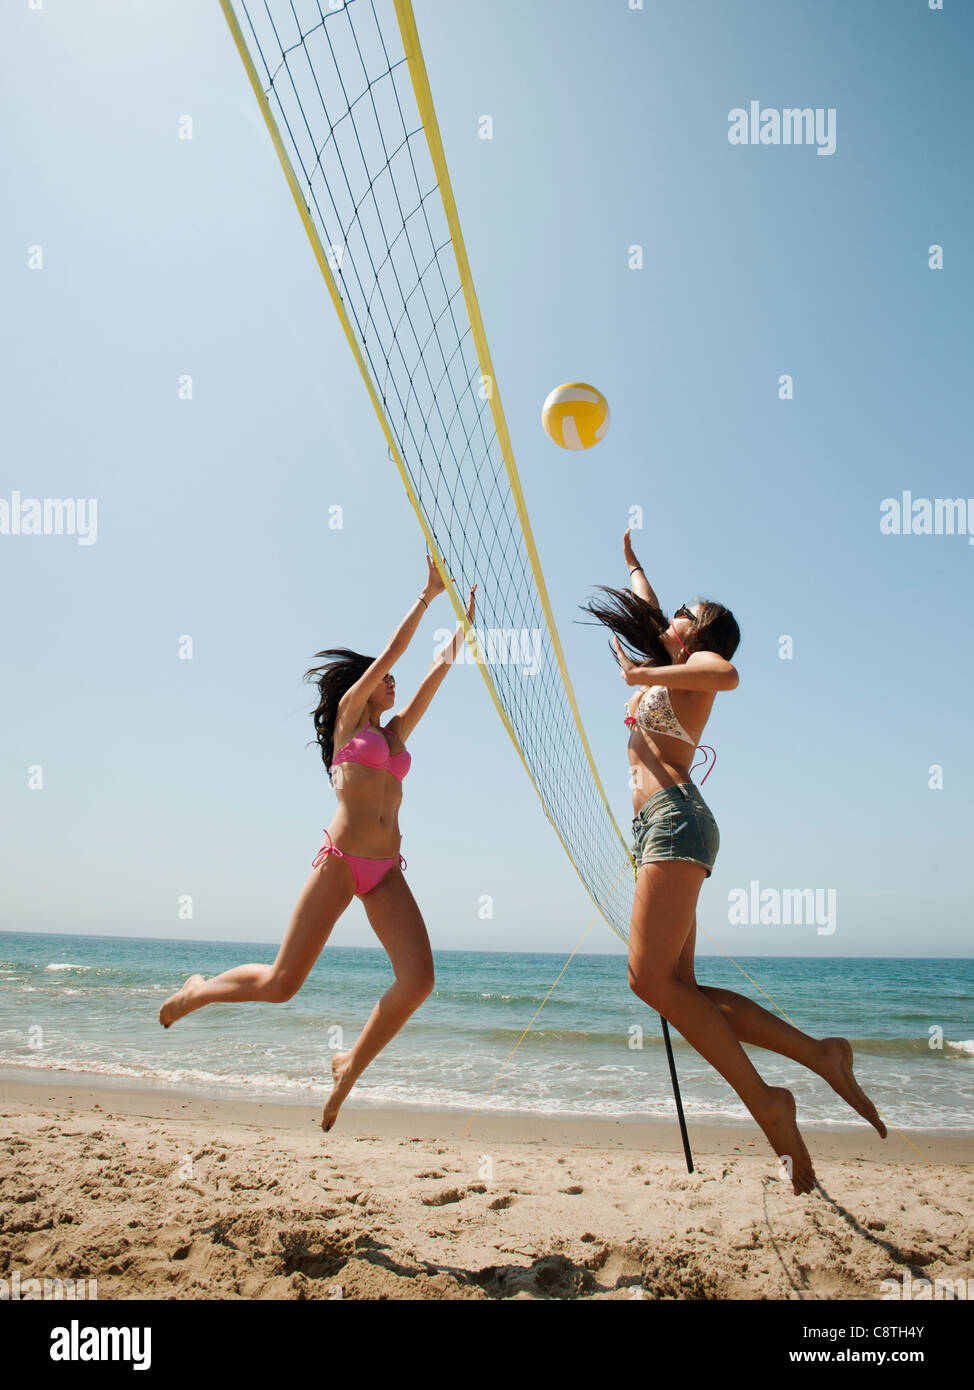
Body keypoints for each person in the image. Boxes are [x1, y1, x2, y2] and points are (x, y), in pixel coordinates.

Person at [583, 530, 885, 1195]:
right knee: (679, 990)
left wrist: (640, 676)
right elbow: (654, 611)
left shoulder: (693, 677)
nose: (668, 622)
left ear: (694, 639)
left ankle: (770, 1103)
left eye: (681, 620)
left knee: (647, 982)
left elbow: (727, 671)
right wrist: (635, 567)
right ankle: (819, 1054)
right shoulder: (673, 662)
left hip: (675, 826)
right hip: (663, 832)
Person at [160, 555, 476, 1133]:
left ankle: (348, 1066)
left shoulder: (392, 732)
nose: (391, 681)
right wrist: (428, 595)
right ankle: (199, 992)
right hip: (339, 862)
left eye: (388, 682)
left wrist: (463, 634)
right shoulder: (350, 723)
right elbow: (394, 653)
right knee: (283, 985)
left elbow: (433, 671)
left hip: (386, 871)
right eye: (382, 678)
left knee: (420, 980)